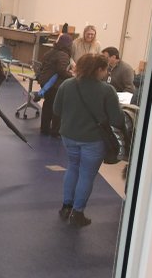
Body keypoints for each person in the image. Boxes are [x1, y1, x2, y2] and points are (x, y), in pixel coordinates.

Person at [53, 54, 124, 228]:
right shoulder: (107, 91)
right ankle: (78, 213)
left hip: (69, 136)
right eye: (105, 69)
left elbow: (56, 109)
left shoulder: (67, 85)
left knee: (73, 168)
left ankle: (65, 207)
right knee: (86, 175)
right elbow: (117, 120)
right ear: (98, 69)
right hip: (93, 140)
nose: (106, 72)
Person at [37, 34, 73, 137]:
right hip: (54, 84)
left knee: (47, 105)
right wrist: (72, 76)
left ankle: (44, 128)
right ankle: (55, 131)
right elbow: (61, 71)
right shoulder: (63, 55)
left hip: (45, 82)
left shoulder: (50, 52)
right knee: (57, 107)